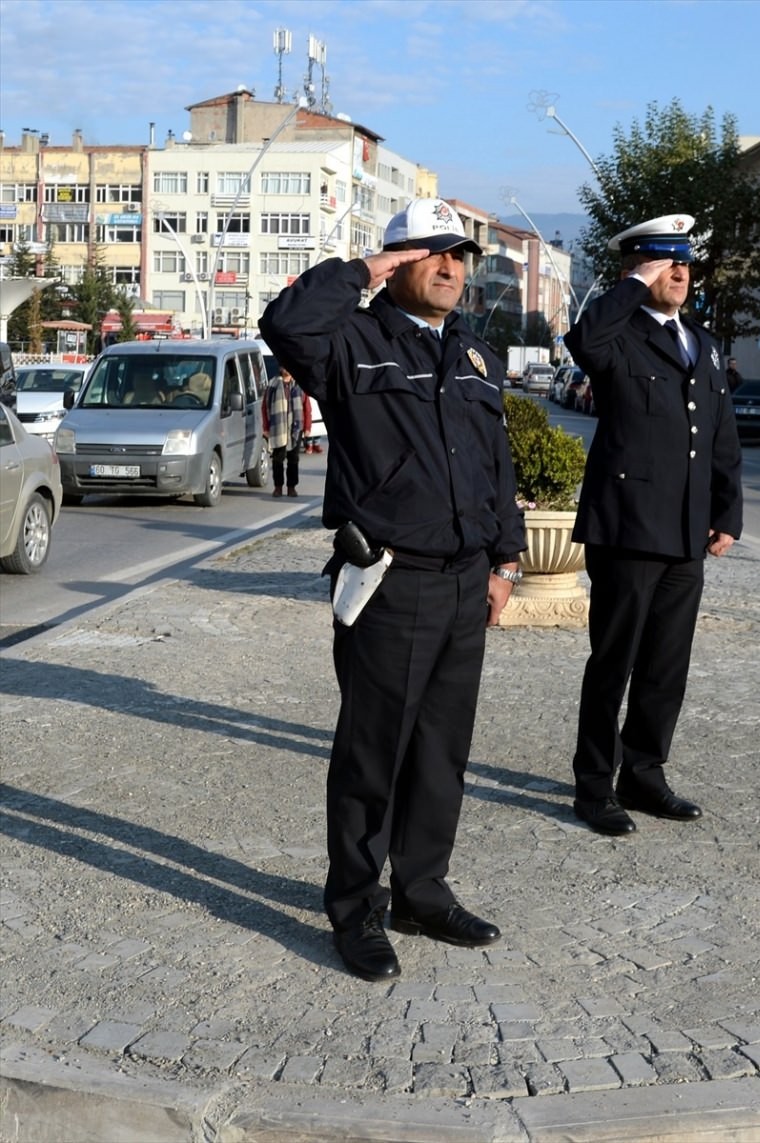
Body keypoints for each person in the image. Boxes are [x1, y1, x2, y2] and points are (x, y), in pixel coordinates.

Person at [259, 198, 525, 982]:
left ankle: (422, 890)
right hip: (390, 580)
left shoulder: (476, 357)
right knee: (373, 753)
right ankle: (356, 907)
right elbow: (286, 322)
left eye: (459, 256)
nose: (450, 267)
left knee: (443, 752)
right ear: (396, 262)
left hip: (465, 583)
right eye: (432, 253)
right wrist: (364, 271)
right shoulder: (352, 340)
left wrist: (505, 563)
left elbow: (495, 467)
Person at [563, 213, 743, 837]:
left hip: (686, 531)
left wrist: (726, 512)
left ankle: (644, 774)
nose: (679, 273)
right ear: (637, 270)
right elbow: (583, 341)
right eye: (664, 263)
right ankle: (593, 786)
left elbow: (722, 434)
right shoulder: (618, 333)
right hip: (626, 529)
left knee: (668, 664)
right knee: (614, 661)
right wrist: (633, 288)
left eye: (684, 263)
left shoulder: (704, 342)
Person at [261, 365, 312, 497]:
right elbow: (265, 406)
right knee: (278, 459)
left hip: (295, 428)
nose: (287, 369)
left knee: (293, 459)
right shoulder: (273, 385)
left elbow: (306, 406)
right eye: (284, 367)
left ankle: (291, 487)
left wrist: (307, 427)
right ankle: (278, 487)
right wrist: (266, 427)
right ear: (280, 369)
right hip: (278, 428)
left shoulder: (299, 385)